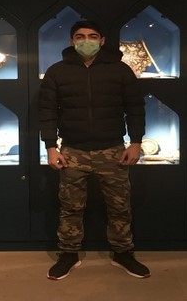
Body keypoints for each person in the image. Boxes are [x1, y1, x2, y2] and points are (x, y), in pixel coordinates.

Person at [39, 20, 150, 280]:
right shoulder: (57, 72)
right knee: (70, 206)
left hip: (113, 149)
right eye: (79, 36)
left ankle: (123, 253)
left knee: (120, 205)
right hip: (72, 150)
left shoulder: (120, 70)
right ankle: (68, 254)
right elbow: (47, 112)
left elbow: (135, 107)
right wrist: (51, 147)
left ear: (101, 40)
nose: (85, 41)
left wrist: (136, 143)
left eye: (92, 36)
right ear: (71, 41)